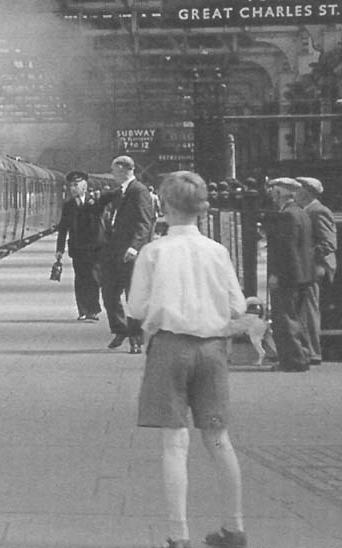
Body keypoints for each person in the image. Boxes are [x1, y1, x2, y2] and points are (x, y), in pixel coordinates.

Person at [127, 171, 247, 548]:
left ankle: (178, 536)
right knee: (219, 441)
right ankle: (234, 529)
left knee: (174, 445)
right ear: (201, 207)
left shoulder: (154, 252)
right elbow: (237, 306)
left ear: (164, 206)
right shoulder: (217, 251)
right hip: (213, 351)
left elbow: (136, 307)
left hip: (169, 349)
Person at [97, 155, 155, 353]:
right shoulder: (120, 192)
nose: (112, 174)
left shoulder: (139, 191)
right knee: (109, 293)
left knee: (133, 297)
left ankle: (136, 339)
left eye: (114, 170)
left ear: (123, 169)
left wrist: (135, 246)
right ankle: (120, 329)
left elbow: (144, 222)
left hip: (130, 253)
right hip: (113, 251)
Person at [265, 177, 315, 372]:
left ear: (280, 194)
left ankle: (292, 360)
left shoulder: (287, 215)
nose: (272, 196)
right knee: (298, 317)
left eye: (274, 192)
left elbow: (286, 249)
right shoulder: (301, 213)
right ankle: (303, 354)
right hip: (303, 275)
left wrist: (277, 274)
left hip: (288, 276)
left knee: (285, 319)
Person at [295, 176, 337, 366]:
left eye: (298, 189)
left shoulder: (318, 211)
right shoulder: (307, 210)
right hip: (308, 265)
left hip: (315, 266)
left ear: (306, 191)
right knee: (305, 308)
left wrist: (307, 254)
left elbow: (329, 243)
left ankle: (313, 351)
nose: (295, 192)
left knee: (310, 308)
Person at [55, 170, 104, 321]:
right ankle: (83, 310)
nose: (73, 188)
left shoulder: (95, 201)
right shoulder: (69, 205)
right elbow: (63, 228)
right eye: (71, 185)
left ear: (84, 185)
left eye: (76, 185)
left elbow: (102, 225)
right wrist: (59, 249)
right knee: (81, 278)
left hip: (94, 247)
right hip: (77, 248)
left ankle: (93, 309)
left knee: (94, 278)